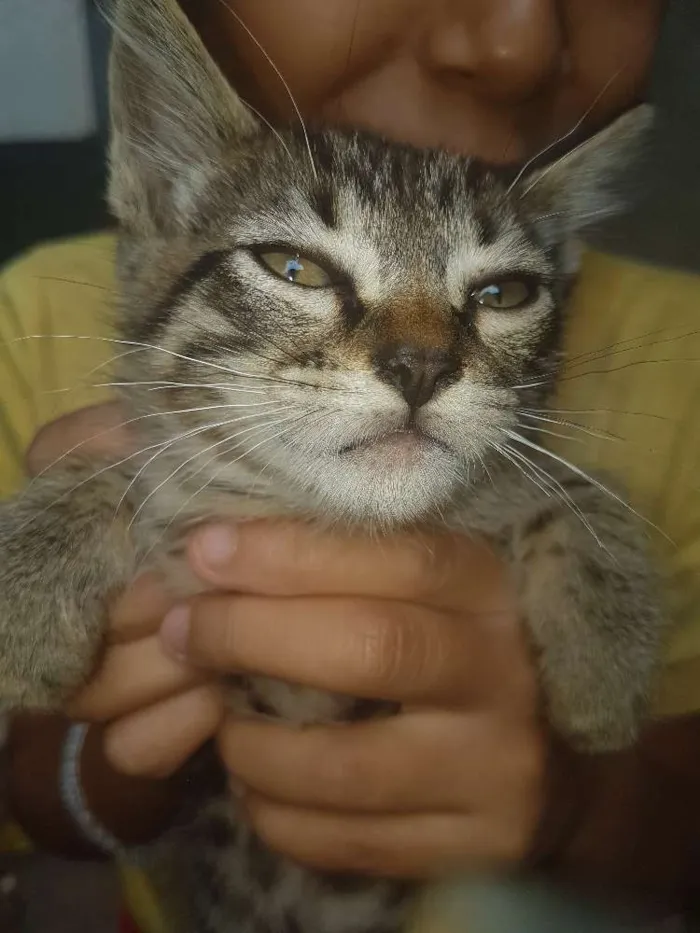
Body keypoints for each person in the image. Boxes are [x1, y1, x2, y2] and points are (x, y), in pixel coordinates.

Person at [3, 1, 700, 931]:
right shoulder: (33, 330)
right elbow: (39, 783)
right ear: (166, 196)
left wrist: (579, 805)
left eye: (499, 291)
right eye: (297, 264)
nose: (422, 355)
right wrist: (94, 771)